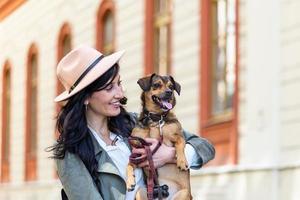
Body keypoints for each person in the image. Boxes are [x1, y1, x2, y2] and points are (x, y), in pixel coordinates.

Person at [49, 45, 215, 200]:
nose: (120, 94)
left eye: (119, 83)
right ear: (85, 97)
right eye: (109, 88)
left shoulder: (137, 122)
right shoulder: (70, 154)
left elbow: (204, 147)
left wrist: (169, 155)